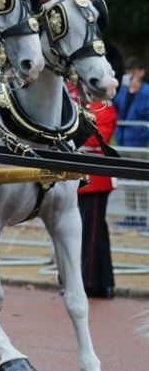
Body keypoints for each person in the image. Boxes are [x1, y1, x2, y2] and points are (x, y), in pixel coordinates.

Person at [72, 84, 118, 298]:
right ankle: (97, 281)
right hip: (79, 180)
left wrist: (75, 132)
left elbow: (98, 139)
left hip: (96, 181)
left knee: (92, 234)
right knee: (85, 233)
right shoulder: (80, 106)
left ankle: (92, 281)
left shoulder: (104, 107)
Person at [114, 56, 149, 230]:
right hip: (122, 142)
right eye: (128, 72)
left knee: (140, 181)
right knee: (126, 180)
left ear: (142, 73)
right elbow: (116, 107)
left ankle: (143, 216)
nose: (130, 75)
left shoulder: (147, 93)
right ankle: (131, 214)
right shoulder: (122, 91)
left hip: (138, 143)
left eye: (133, 72)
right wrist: (127, 91)